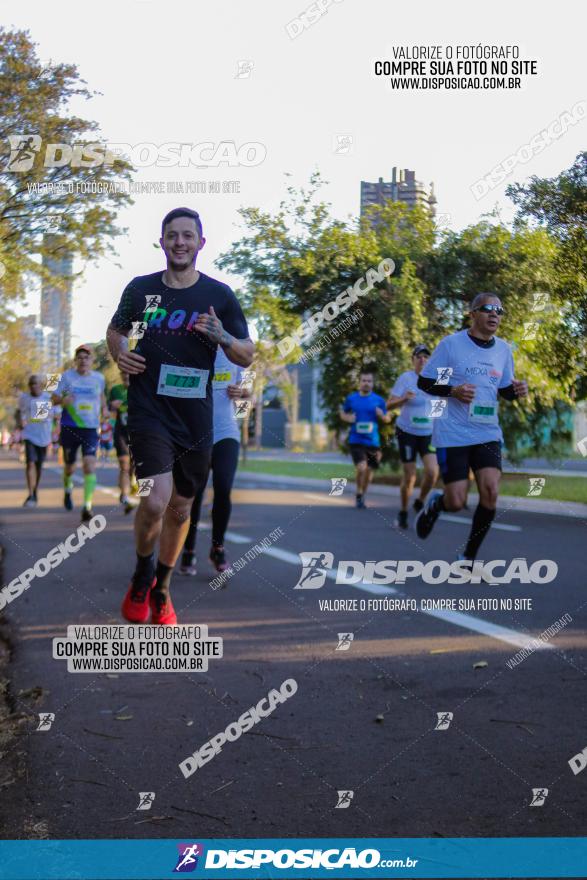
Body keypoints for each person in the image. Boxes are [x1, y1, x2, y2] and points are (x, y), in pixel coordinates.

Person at [107, 207, 254, 625]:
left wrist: (221, 335)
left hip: (195, 417)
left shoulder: (220, 296)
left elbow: (246, 351)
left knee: (181, 509)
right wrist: (120, 354)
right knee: (155, 499)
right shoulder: (140, 290)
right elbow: (115, 331)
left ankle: (164, 587)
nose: (180, 242)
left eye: (188, 235)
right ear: (162, 241)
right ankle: (142, 574)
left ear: (201, 243)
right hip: (149, 410)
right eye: (172, 235)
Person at [415, 293, 528, 566]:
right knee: (456, 501)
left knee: (490, 490)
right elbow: (425, 383)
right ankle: (438, 504)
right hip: (453, 434)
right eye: (488, 309)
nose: (495, 315)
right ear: (473, 313)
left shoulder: (503, 350)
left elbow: (503, 391)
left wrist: (517, 391)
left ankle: (469, 556)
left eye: (500, 311)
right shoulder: (451, 345)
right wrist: (452, 390)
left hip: (487, 432)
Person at [178, 347, 252, 576]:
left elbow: (251, 393)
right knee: (195, 495)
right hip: (196, 434)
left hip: (226, 432)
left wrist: (242, 393)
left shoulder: (237, 354)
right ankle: (188, 549)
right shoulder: (192, 350)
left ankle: (218, 548)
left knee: (223, 487)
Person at [52, 345, 106, 522]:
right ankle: (67, 489)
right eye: (80, 357)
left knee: (89, 465)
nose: (83, 360)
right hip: (69, 426)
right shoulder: (66, 377)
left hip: (90, 428)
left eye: (87, 357)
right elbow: (52, 398)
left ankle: (87, 506)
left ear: (92, 361)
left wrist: (104, 410)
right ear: (75, 361)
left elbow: (101, 397)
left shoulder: (99, 378)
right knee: (69, 467)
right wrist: (62, 400)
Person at [387, 344, 439, 529]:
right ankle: (403, 511)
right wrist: (403, 399)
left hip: (428, 434)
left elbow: (442, 407)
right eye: (419, 357)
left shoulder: (436, 380)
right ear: (413, 360)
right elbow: (388, 405)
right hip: (407, 432)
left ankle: (420, 501)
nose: (423, 360)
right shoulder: (406, 379)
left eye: (426, 357)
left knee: (432, 472)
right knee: (410, 476)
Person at [340, 371, 390, 509]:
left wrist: (382, 416)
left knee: (369, 472)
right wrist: (348, 418)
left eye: (369, 381)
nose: (366, 383)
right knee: (362, 467)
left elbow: (387, 418)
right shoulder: (352, 399)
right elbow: (343, 413)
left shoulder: (378, 400)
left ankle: (362, 494)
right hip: (356, 439)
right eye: (364, 380)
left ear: (372, 384)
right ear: (360, 382)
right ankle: (358, 492)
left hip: (373, 441)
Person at [18, 375, 54, 507]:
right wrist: (21, 420)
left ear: (41, 385)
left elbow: (54, 414)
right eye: (31, 384)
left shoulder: (47, 398)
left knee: (39, 466)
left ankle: (35, 489)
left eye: (36, 384)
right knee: (30, 464)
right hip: (29, 435)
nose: (34, 386)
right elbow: (21, 412)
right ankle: (31, 493)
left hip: (43, 437)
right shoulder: (24, 398)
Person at [108, 370, 138, 513]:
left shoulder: (141, 388)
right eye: (123, 372)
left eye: (129, 373)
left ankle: (132, 484)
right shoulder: (115, 390)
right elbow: (108, 411)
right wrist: (112, 406)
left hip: (139, 433)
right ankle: (124, 495)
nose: (126, 375)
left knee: (137, 465)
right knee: (124, 464)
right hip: (121, 433)